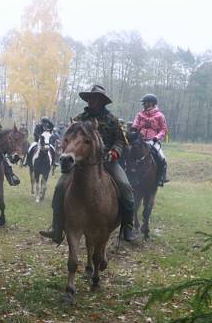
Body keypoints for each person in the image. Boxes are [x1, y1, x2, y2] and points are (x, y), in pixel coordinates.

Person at [39, 84, 137, 243]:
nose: (92, 101)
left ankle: (127, 227)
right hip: (79, 163)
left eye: (95, 98)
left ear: (102, 101)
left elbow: (120, 141)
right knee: (59, 188)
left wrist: (114, 152)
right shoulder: (78, 119)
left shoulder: (112, 120)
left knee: (125, 187)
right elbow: (68, 138)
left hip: (107, 162)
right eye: (90, 98)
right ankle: (57, 228)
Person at [132, 93, 169, 185]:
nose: (143, 104)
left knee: (163, 158)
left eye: (145, 102)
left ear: (151, 103)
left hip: (152, 141)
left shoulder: (160, 116)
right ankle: (130, 175)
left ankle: (161, 177)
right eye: (143, 103)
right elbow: (135, 125)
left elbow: (164, 130)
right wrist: (134, 131)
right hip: (140, 140)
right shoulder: (140, 114)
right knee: (129, 153)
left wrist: (157, 137)